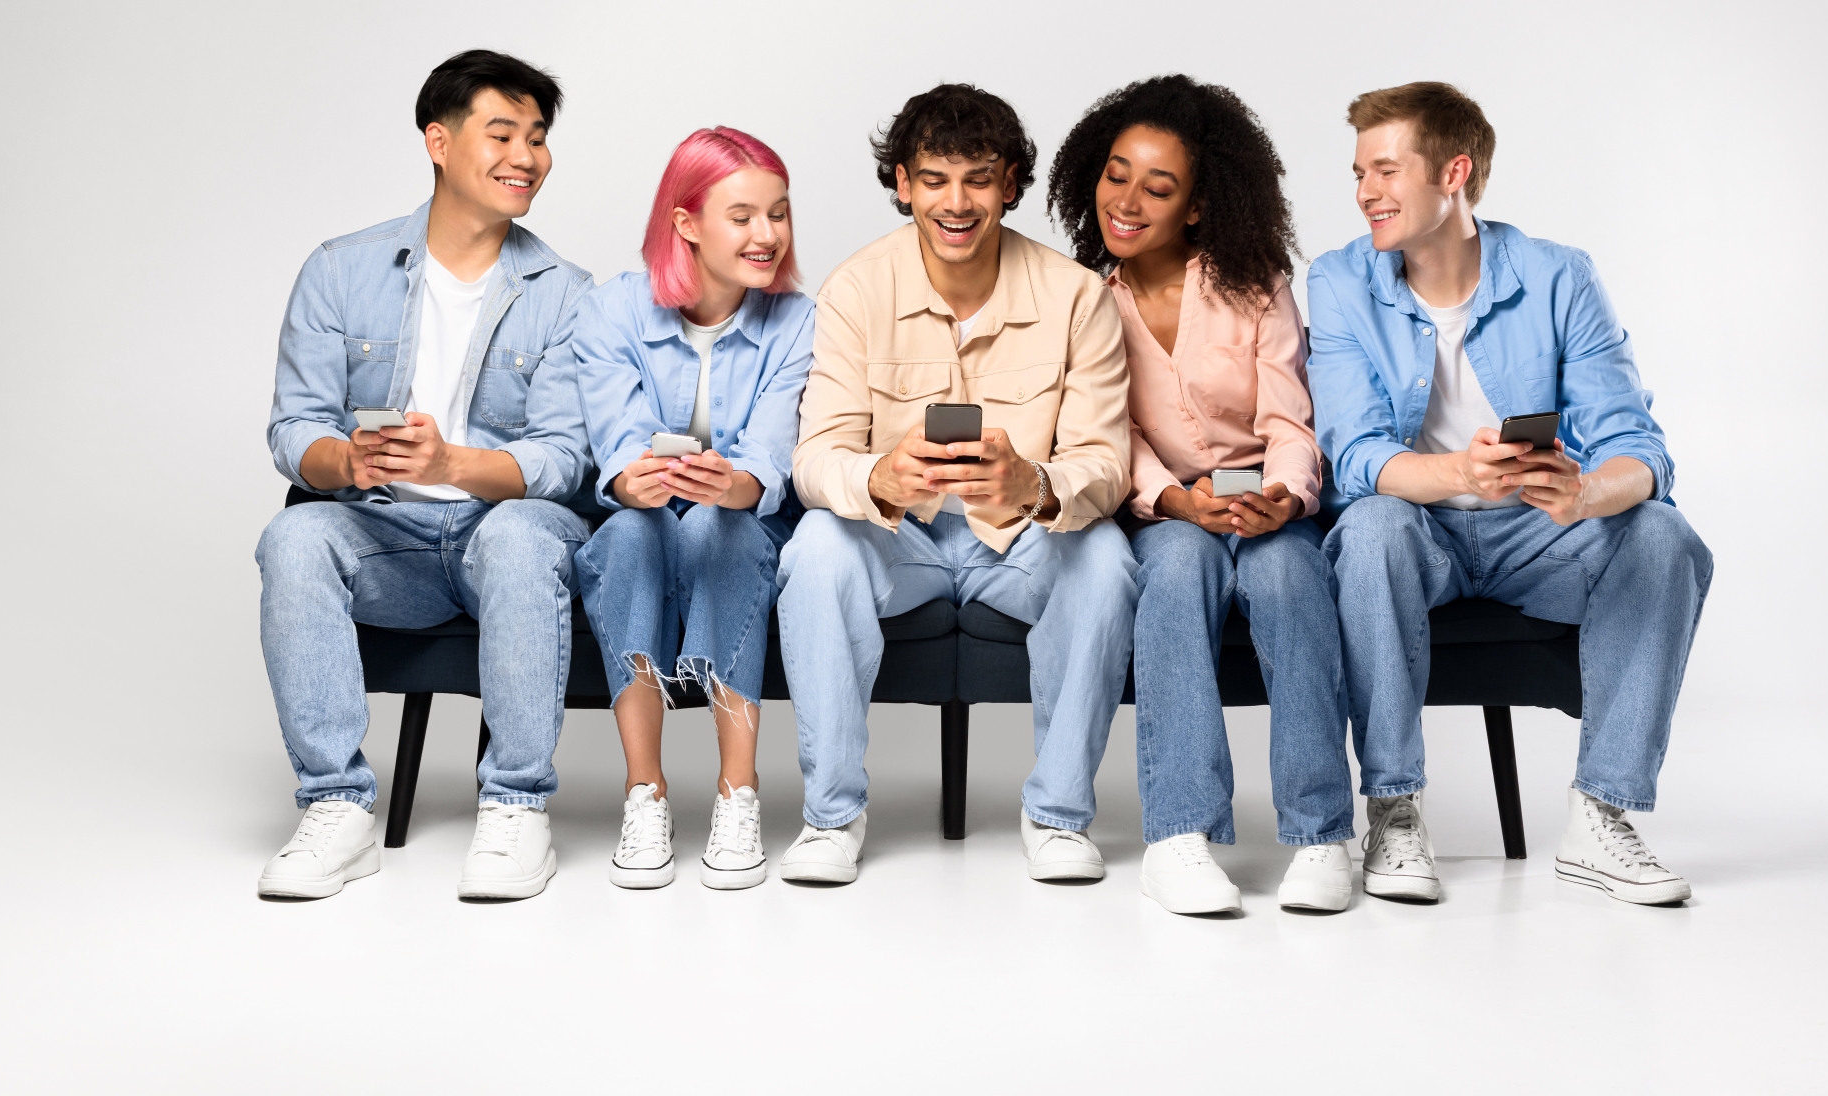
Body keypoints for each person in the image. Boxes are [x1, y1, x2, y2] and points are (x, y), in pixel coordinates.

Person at [1308, 82, 1714, 906]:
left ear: (1453, 172)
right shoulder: (1340, 280)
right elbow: (1353, 458)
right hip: (1418, 529)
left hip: (1537, 532)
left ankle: (1602, 813)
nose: (1364, 193)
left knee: (1663, 534)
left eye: (1386, 171)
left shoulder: (1559, 275)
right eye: (1358, 173)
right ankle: (1392, 810)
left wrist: (1586, 493)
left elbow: (1640, 449)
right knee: (1374, 526)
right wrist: (1461, 472)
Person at [775, 83, 1138, 885]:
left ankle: (1059, 816)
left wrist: (1034, 484)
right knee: (816, 549)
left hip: (1021, 544)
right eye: (934, 179)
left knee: (1106, 556)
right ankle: (831, 816)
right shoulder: (856, 289)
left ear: (1011, 183)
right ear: (902, 182)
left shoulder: (1078, 296)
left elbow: (1105, 465)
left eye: (978, 178)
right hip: (897, 538)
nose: (957, 202)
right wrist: (882, 474)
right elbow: (815, 457)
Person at [255, 49, 594, 901]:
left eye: (539, 137)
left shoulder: (567, 293)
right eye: (504, 133)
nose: (528, 156)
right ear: (439, 142)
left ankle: (516, 805)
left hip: (501, 539)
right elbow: (295, 428)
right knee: (295, 535)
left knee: (521, 533)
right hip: (386, 536)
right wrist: (348, 459)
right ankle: (336, 808)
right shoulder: (340, 268)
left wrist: (455, 465)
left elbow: (566, 457)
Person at [1046, 75, 1356, 915]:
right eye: (1117, 174)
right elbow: (1109, 430)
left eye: (1159, 185)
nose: (1129, 200)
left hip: (1265, 502)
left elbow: (1289, 418)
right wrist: (1174, 502)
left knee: (1291, 580)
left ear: (1196, 205)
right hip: (1166, 508)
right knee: (1176, 576)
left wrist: (1283, 500)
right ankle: (1179, 836)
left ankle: (1323, 834)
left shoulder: (1254, 282)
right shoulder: (1085, 299)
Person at [571, 127, 814, 891]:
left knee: (719, 526)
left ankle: (736, 791)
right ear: (685, 223)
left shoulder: (797, 319)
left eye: (778, 214)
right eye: (742, 216)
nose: (767, 235)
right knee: (628, 534)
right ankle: (645, 790)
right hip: (644, 522)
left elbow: (772, 459)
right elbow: (615, 442)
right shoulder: (611, 310)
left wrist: (731, 485)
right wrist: (633, 478)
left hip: (738, 524)